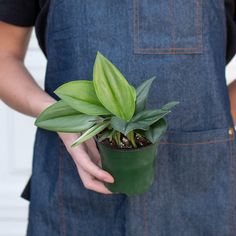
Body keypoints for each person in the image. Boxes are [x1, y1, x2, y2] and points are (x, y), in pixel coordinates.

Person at [0, 0, 236, 235]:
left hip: (200, 182)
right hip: (75, 180)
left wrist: (215, 118)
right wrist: (59, 116)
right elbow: (4, 57)